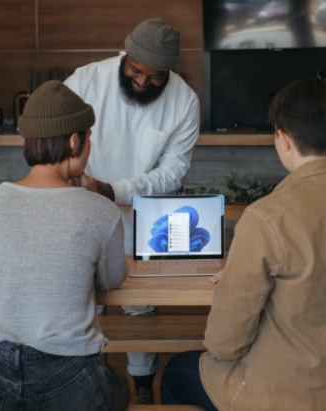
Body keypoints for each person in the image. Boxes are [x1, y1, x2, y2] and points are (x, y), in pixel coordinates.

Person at [160, 77, 326, 411]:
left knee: (175, 372)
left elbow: (225, 344)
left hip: (290, 398)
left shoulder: (266, 217)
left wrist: (239, 273)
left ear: (282, 138)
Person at [0, 80, 130, 411]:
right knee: (120, 385)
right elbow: (112, 280)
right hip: (68, 371)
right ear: (73, 140)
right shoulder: (100, 210)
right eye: (89, 139)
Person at [64, 17, 201, 404]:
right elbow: (56, 137)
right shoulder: (86, 80)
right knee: (80, 298)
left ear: (170, 72)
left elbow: (172, 172)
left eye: (155, 78)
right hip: (78, 209)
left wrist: (111, 189)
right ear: (125, 55)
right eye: (135, 71)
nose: (142, 82)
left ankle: (142, 384)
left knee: (140, 305)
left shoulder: (185, 101)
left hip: (140, 216)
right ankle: (84, 382)